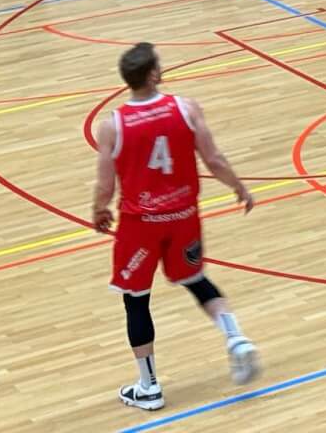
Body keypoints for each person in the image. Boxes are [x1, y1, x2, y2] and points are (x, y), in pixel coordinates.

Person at [91, 42, 258, 411]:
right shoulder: (186, 108)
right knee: (196, 280)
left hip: (140, 225)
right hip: (183, 217)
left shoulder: (113, 125)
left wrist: (99, 210)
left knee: (136, 301)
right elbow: (213, 159)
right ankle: (235, 337)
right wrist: (239, 187)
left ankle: (149, 386)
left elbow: (105, 184)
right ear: (153, 74)